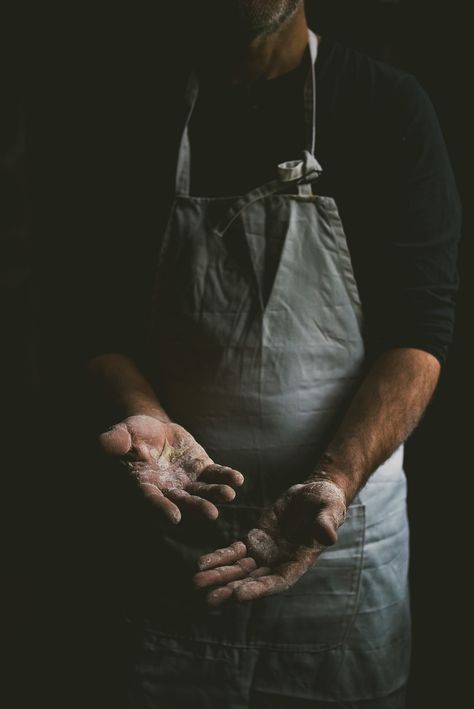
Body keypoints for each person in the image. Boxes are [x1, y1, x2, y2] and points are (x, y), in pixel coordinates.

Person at [86, 2, 461, 707]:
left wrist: (336, 477)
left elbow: (420, 334)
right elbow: (97, 321)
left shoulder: (386, 106)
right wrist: (142, 412)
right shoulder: (139, 111)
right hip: (175, 539)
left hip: (340, 541)